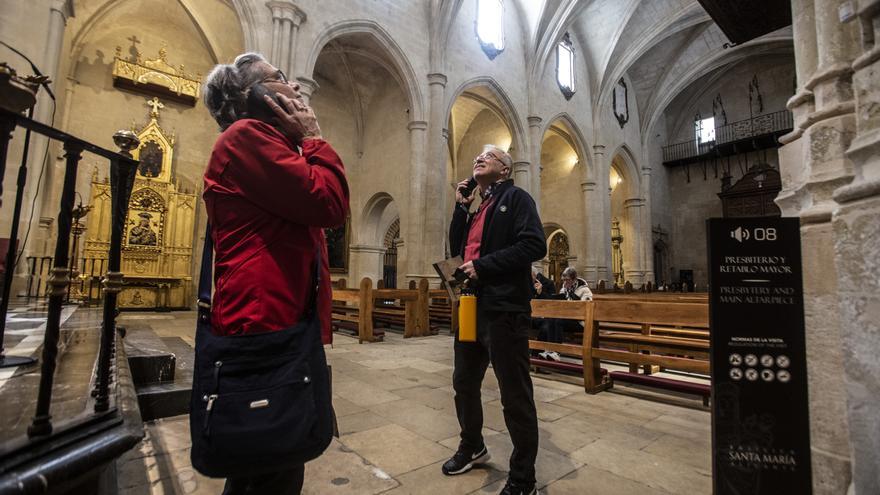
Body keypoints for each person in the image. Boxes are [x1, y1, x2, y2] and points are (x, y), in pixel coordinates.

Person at [202, 52, 349, 495]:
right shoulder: (246, 137)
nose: (297, 88)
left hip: (277, 320)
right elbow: (330, 204)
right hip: (266, 324)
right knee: (274, 463)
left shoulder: (266, 144)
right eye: (281, 78)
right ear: (254, 95)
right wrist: (314, 137)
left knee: (268, 461)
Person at [447, 146, 546, 495]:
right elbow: (457, 250)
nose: (479, 158)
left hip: (505, 309)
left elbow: (535, 244)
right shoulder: (476, 208)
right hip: (471, 304)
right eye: (477, 156)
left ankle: (523, 477)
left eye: (488, 156)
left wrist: (485, 266)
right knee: (464, 383)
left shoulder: (516, 198)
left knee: (514, 394)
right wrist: (461, 205)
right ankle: (472, 445)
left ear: (505, 170)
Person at [547, 267, 593, 347]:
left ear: (574, 279)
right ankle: (550, 348)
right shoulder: (564, 288)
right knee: (551, 319)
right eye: (563, 280)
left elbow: (585, 308)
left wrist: (571, 300)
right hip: (567, 317)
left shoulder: (585, 290)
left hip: (580, 321)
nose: (565, 282)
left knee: (558, 321)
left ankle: (557, 349)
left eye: (567, 280)